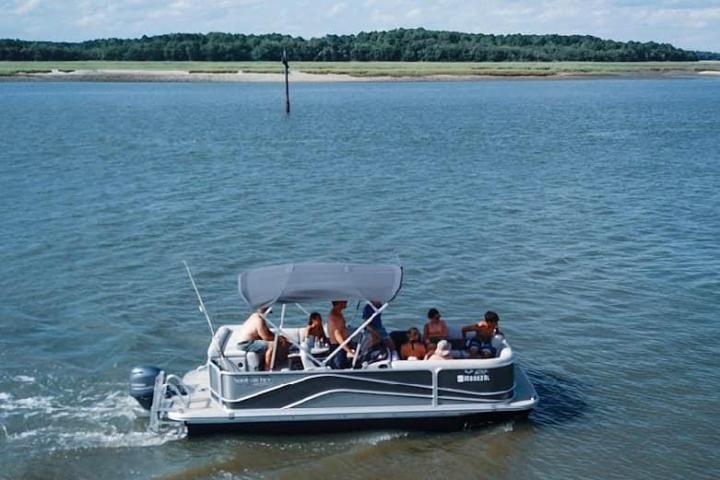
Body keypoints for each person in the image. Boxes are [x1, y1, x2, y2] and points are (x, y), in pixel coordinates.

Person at [236, 306, 288, 371]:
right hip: (246, 344)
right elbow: (265, 337)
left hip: (248, 341)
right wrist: (279, 339)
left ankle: (277, 360)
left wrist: (279, 337)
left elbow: (266, 331)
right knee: (272, 345)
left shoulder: (255, 316)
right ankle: (268, 369)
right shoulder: (259, 321)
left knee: (276, 341)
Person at [327, 300, 354, 369]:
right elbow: (337, 336)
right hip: (338, 347)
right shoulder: (335, 316)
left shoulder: (339, 313)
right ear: (339, 302)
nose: (346, 302)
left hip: (341, 345)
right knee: (339, 367)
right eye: (344, 301)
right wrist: (348, 350)